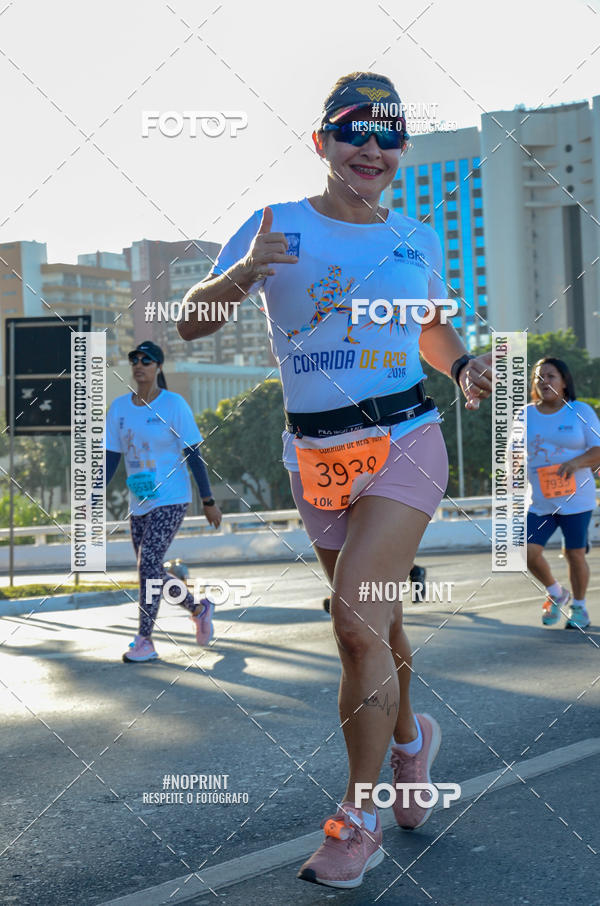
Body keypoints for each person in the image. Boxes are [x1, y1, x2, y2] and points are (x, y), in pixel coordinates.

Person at [178, 72, 491, 889]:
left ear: (402, 154)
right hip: (314, 457)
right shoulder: (274, 224)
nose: (372, 149)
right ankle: (412, 740)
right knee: (377, 629)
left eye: (390, 136)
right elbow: (188, 321)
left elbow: (428, 324)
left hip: (405, 440)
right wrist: (244, 273)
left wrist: (459, 367)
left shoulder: (415, 238)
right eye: (356, 130)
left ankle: (359, 821)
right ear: (322, 141)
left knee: (354, 624)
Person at [105, 340, 222, 662]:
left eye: (147, 360)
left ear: (158, 367)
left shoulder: (173, 405)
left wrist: (208, 499)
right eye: (135, 360)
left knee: (148, 568)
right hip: (139, 500)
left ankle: (145, 640)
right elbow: (112, 456)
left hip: (172, 498)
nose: (139, 364)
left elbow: (194, 454)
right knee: (151, 570)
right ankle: (199, 608)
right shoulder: (119, 408)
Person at [524, 357, 600, 629]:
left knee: (574, 554)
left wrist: (575, 463)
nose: (543, 381)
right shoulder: (525, 414)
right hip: (541, 502)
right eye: (538, 377)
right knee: (527, 552)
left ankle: (579, 608)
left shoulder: (580, 411)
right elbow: (512, 452)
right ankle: (556, 592)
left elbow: (597, 450)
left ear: (564, 382)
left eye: (550, 376)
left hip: (576, 500)